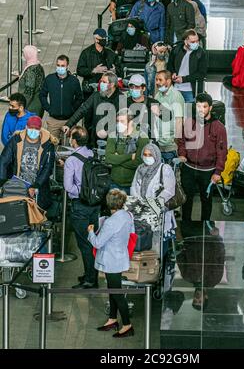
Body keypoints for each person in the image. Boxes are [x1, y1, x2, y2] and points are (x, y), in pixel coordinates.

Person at [88, 189, 134, 337]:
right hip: (120, 257)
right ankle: (112, 319)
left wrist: (90, 231)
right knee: (112, 290)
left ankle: (127, 325)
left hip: (111, 260)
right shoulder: (127, 216)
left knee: (117, 293)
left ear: (108, 203)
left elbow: (97, 243)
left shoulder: (110, 222)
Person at [178, 93, 228, 222]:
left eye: (204, 106)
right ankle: (186, 225)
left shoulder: (219, 128)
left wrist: (218, 172)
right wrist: (182, 154)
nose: (201, 109)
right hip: (188, 169)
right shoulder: (190, 123)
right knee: (186, 200)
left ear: (210, 108)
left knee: (206, 200)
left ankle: (205, 227)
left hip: (207, 172)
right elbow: (182, 141)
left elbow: (222, 152)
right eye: (198, 106)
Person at [64, 126, 99, 289]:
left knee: (84, 244)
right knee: (93, 241)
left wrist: (81, 191)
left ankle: (90, 280)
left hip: (80, 206)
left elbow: (68, 186)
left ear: (74, 140)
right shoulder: (92, 154)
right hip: (95, 205)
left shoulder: (71, 160)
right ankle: (92, 274)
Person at [0, 116, 56, 211]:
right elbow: (3, 161)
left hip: (37, 187)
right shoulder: (16, 140)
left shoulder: (48, 145)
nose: (33, 131)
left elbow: (47, 168)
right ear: (26, 127)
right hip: (17, 185)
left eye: (36, 129)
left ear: (40, 129)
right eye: (31, 128)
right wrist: (2, 182)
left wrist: (36, 185)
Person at [131, 143, 176, 246]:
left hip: (158, 211)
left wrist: (152, 204)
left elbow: (169, 191)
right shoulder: (139, 168)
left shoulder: (164, 169)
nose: (147, 157)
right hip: (142, 211)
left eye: (150, 155)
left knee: (159, 244)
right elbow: (133, 186)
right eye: (145, 154)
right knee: (146, 242)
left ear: (156, 155)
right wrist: (140, 202)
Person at [63, 72, 126, 147]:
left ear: (112, 85)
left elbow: (123, 121)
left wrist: (108, 131)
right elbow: (82, 110)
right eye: (101, 81)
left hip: (112, 140)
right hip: (94, 138)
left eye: (104, 82)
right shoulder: (96, 95)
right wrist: (69, 124)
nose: (101, 84)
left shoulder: (121, 99)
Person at [39, 55, 83, 141]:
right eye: (58, 65)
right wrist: (49, 108)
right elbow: (42, 95)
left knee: (69, 146)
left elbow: (80, 98)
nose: (60, 68)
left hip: (69, 120)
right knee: (51, 145)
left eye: (63, 66)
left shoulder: (74, 81)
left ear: (67, 67)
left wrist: (72, 109)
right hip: (53, 121)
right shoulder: (49, 79)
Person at [105, 109, 149, 194]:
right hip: (114, 183)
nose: (119, 124)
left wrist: (117, 159)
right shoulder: (113, 135)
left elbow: (138, 163)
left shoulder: (142, 137)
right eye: (117, 121)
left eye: (122, 121)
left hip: (133, 185)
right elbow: (108, 158)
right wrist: (130, 156)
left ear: (131, 122)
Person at [76, 28, 122, 102]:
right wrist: (94, 70)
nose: (104, 40)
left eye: (105, 38)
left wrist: (114, 71)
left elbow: (120, 70)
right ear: (96, 39)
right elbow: (80, 70)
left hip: (109, 90)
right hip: (91, 90)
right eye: (102, 38)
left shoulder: (111, 54)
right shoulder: (86, 53)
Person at [167, 29, 207, 102]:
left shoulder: (201, 53)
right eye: (192, 42)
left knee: (189, 112)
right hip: (176, 89)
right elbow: (170, 66)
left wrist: (183, 79)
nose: (196, 43)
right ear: (185, 41)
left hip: (191, 91)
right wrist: (173, 73)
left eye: (197, 41)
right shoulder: (176, 50)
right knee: (176, 111)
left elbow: (202, 73)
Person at [155, 70, 185, 164]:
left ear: (168, 81)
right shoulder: (158, 95)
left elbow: (179, 121)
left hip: (170, 145)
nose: (157, 82)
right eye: (156, 80)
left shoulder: (176, 96)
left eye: (160, 80)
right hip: (159, 143)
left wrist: (176, 142)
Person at [126, 73, 169, 139]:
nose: (133, 89)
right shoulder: (124, 102)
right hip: (128, 139)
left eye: (137, 87)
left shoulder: (151, 102)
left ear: (143, 88)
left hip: (148, 139)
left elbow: (169, 116)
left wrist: (159, 113)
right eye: (132, 87)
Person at [18, 45, 45, 118]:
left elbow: (28, 92)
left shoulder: (31, 71)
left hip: (31, 107)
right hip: (38, 104)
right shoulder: (39, 66)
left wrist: (21, 106)